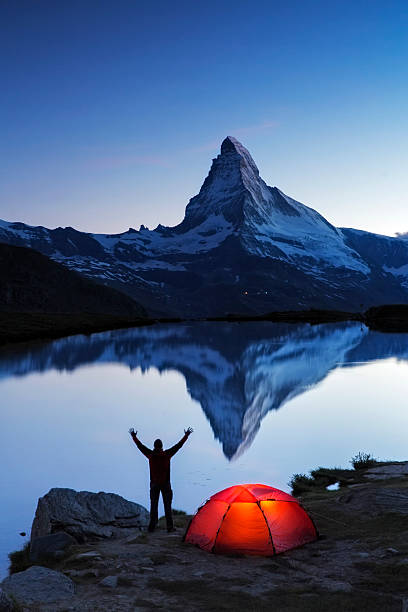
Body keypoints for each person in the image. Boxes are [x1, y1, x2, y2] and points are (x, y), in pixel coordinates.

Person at [129, 427, 193, 532]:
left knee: (154, 506)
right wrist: (186, 435)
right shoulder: (167, 454)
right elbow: (178, 446)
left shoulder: (150, 455)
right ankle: (170, 527)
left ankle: (152, 527)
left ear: (154, 446)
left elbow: (140, 446)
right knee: (167, 506)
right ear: (162, 446)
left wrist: (134, 436)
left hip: (154, 484)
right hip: (166, 484)